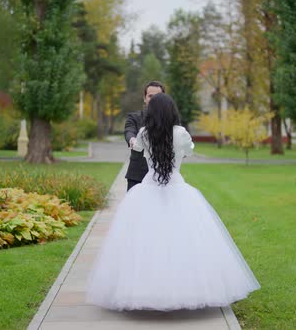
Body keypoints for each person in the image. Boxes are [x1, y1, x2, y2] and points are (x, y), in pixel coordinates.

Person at [86, 93, 260, 311]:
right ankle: (187, 289)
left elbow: (137, 148)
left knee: (143, 242)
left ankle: (142, 290)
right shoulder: (181, 133)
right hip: (177, 187)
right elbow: (188, 151)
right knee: (185, 240)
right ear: (172, 112)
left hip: (148, 187)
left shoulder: (144, 133)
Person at [124, 81, 165, 191]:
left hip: (163, 177)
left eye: (158, 96)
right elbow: (129, 131)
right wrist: (132, 139)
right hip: (137, 176)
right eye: (150, 96)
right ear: (145, 98)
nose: (154, 99)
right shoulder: (134, 117)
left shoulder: (171, 120)